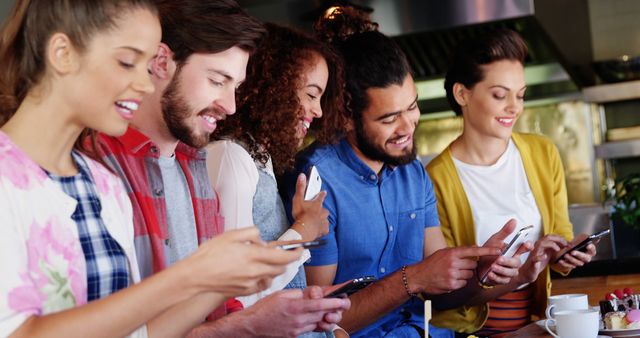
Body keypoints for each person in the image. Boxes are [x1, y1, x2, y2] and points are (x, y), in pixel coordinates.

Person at [0, 0, 297, 337]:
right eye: (128, 62)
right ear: (62, 53)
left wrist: (219, 281)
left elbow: (136, 333)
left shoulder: (102, 184)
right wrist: (191, 277)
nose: (145, 83)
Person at [96, 1, 350, 337]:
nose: (229, 105)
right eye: (218, 80)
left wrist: (281, 316)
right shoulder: (102, 167)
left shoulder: (197, 165)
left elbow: (223, 305)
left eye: (235, 86)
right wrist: (250, 323)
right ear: (160, 62)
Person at [283, 7, 528, 338]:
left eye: (412, 107)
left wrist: (481, 272)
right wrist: (413, 278)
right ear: (345, 117)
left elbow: (441, 295)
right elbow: (319, 323)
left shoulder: (413, 174)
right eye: (388, 119)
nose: (407, 126)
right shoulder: (316, 180)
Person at [426, 28, 597, 337]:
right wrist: (516, 273)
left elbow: (560, 242)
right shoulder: (436, 179)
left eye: (519, 95)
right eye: (499, 95)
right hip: (467, 333)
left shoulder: (543, 153)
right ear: (462, 94)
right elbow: (445, 294)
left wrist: (567, 251)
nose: (514, 107)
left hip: (537, 326)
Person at [207, 22, 348, 310]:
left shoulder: (259, 157)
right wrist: (303, 230)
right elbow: (234, 297)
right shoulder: (230, 157)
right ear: (275, 87)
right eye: (311, 94)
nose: (318, 111)